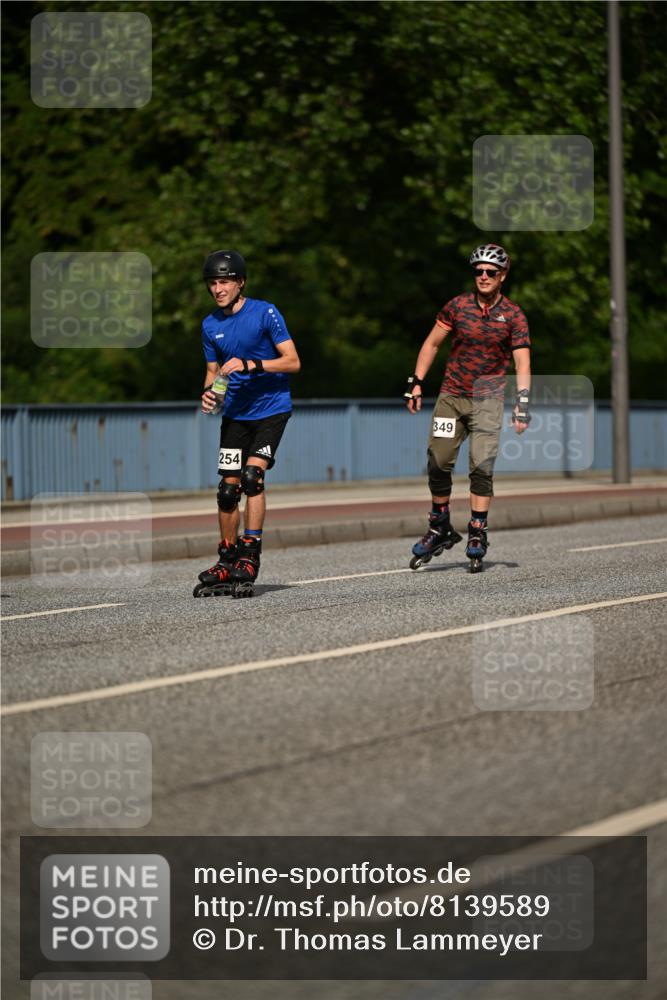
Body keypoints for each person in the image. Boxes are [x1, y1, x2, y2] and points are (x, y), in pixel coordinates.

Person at [404, 243, 531, 573]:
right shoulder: (457, 306)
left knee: (481, 467)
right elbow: (432, 343)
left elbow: (522, 360)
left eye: (491, 272)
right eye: (478, 271)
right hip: (451, 397)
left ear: (503, 275)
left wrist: (523, 403)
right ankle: (440, 526)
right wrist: (416, 382)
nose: (484, 276)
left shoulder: (514, 315)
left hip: (488, 402)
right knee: (438, 460)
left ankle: (477, 531)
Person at [194, 250, 300, 597]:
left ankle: (250, 555)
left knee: (253, 477)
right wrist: (208, 394)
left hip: (271, 410)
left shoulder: (265, 312)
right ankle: (227, 558)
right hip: (235, 414)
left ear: (240, 282)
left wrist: (252, 365)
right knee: (227, 490)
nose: (217, 288)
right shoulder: (211, 325)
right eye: (213, 282)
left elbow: (292, 362)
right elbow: (213, 373)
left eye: (224, 281)